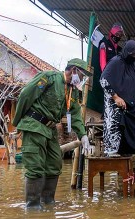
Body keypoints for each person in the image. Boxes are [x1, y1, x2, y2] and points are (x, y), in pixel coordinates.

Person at [12, 58, 93, 210]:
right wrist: (18, 123)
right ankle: (33, 207)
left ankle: (48, 203)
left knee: (55, 163)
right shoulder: (49, 78)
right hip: (34, 125)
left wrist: (83, 136)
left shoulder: (73, 91)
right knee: (35, 166)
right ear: (74, 70)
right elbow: (25, 96)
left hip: (50, 130)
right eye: (82, 75)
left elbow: (75, 115)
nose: (82, 79)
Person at [99, 40, 135, 166]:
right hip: (115, 103)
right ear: (126, 52)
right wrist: (115, 97)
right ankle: (112, 152)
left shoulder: (131, 65)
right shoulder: (116, 62)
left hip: (129, 103)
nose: (134, 57)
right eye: (132, 54)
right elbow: (103, 80)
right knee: (116, 127)